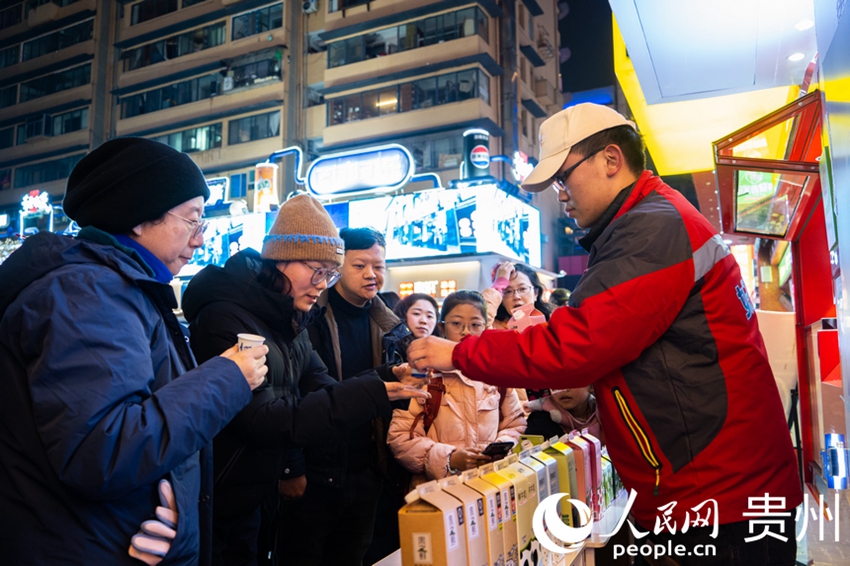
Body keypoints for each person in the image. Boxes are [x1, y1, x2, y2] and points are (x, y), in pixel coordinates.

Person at [408, 103, 802, 565]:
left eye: (565, 177)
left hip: (715, 498)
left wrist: (458, 353)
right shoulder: (648, 223)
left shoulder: (651, 228)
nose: (561, 195)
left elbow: (575, 347)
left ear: (611, 160)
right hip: (710, 487)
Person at [0, 138, 268, 566]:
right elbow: (103, 451)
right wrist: (227, 376)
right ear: (141, 216)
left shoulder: (125, 289)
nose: (199, 240)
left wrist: (179, 519)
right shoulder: (88, 291)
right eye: (193, 220)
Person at [180, 195, 427, 566]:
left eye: (330, 273)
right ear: (282, 258)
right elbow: (268, 419)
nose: (322, 284)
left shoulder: (290, 321)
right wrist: (374, 390)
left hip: (257, 494)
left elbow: (325, 387)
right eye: (318, 270)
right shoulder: (226, 319)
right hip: (217, 495)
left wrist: (386, 376)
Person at [280, 227, 411, 566]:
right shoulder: (309, 317)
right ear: (337, 267)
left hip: (368, 469)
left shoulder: (391, 326)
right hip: (315, 471)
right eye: (359, 265)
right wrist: (290, 465)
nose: (372, 274)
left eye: (379, 266)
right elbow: (291, 393)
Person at [388, 290, 526, 486]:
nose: (466, 332)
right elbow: (400, 439)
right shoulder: (421, 374)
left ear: (485, 327)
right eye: (456, 324)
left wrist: (498, 449)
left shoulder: (496, 375)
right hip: (439, 491)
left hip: (491, 484)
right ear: (442, 328)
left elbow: (515, 423)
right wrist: (449, 458)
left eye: (475, 325)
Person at [483, 261, 553, 403]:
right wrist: (498, 285)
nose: (516, 296)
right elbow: (477, 321)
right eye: (508, 291)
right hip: (516, 415)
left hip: (558, 412)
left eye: (522, 289)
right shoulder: (493, 330)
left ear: (536, 293)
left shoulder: (552, 325)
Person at [523, 387, 603, 443]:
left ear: (592, 385)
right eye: (558, 382)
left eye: (573, 381)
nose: (564, 389)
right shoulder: (539, 422)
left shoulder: (606, 412)